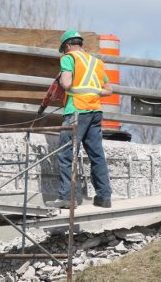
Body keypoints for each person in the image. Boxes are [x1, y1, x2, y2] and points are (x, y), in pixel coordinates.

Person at [46, 30, 113, 209]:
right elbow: (109, 90)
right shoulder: (96, 62)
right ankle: (104, 197)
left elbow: (67, 83)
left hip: (76, 111)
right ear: (80, 44)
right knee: (97, 154)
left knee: (66, 154)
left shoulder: (69, 58)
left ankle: (66, 198)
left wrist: (62, 82)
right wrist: (92, 92)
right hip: (95, 111)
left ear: (67, 45)